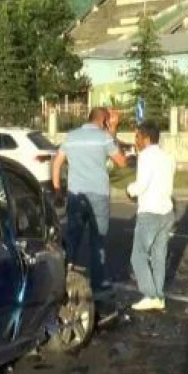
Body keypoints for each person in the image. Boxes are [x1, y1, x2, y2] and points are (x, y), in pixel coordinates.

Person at [52, 107, 128, 294]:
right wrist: (113, 130)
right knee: (98, 240)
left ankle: (64, 275)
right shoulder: (104, 137)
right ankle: (98, 281)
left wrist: (57, 189)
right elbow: (122, 162)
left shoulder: (71, 136)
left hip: (76, 194)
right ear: (104, 121)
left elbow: (57, 163)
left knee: (72, 236)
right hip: (98, 195)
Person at [128, 122, 176, 312]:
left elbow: (142, 185)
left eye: (138, 137)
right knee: (158, 256)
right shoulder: (168, 157)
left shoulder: (146, 156)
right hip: (167, 212)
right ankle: (159, 296)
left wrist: (129, 190)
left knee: (138, 256)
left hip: (150, 212)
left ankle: (151, 294)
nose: (136, 141)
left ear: (147, 138)